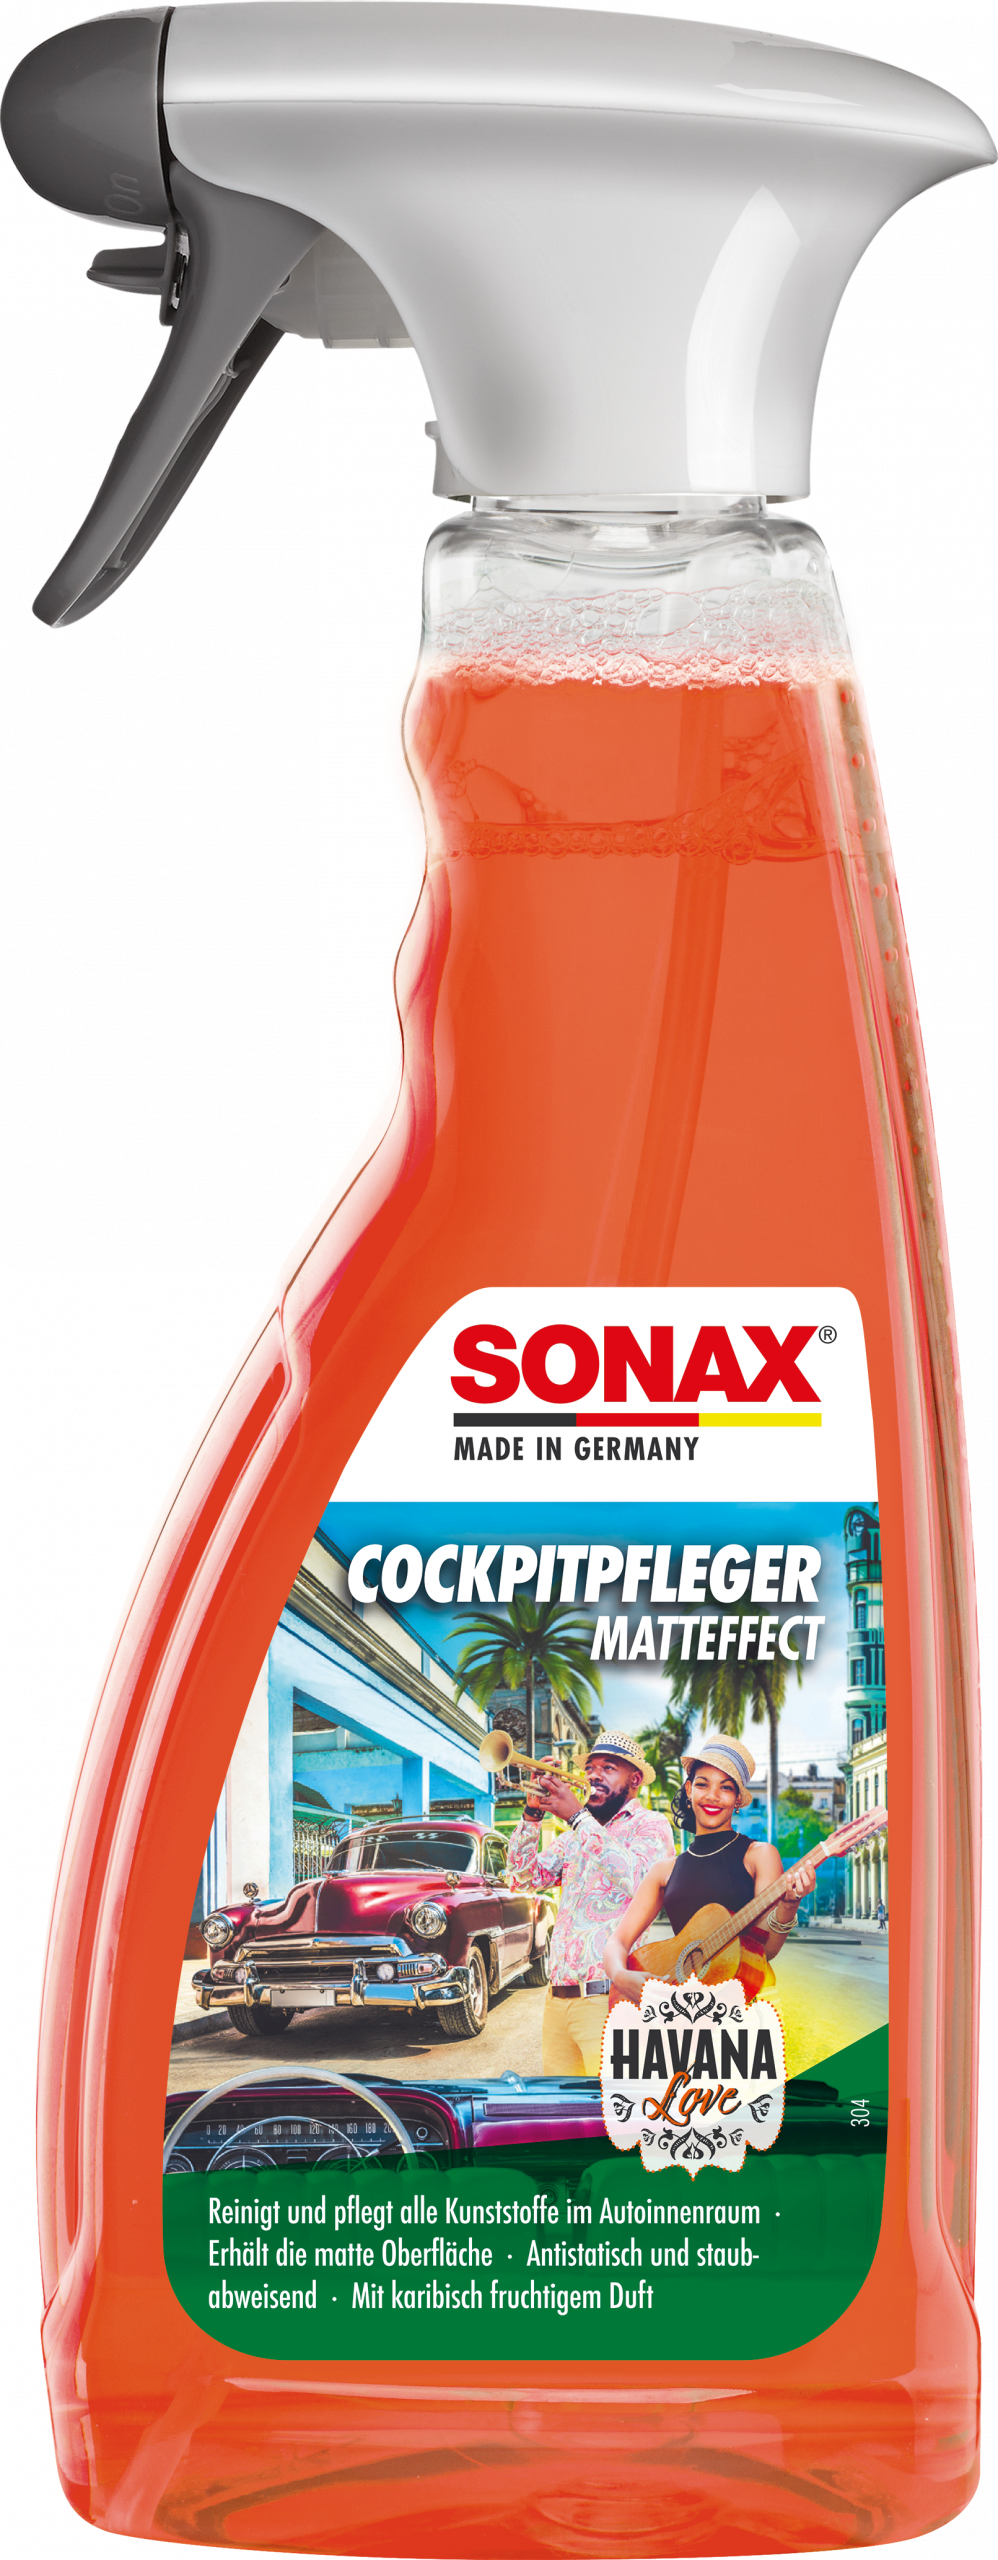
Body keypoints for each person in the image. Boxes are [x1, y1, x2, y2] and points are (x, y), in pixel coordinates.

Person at [506, 1732, 675, 2076]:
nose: (593, 1776)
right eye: (590, 1768)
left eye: (608, 1768)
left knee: (615, 2104)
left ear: (635, 1780)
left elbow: (640, 1880)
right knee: (565, 2108)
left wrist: (577, 1817)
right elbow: (521, 1878)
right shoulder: (575, 1836)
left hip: (609, 2000)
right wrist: (531, 1815)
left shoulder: (650, 1825)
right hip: (557, 2001)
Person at [603, 1738, 816, 2005]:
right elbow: (617, 1942)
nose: (712, 1796)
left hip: (741, 2007)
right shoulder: (663, 1870)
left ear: (737, 1799)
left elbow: (765, 1951)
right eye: (703, 1784)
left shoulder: (760, 1855)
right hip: (676, 2009)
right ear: (689, 1789)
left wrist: (789, 1906)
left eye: (725, 1787)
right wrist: (621, 1976)